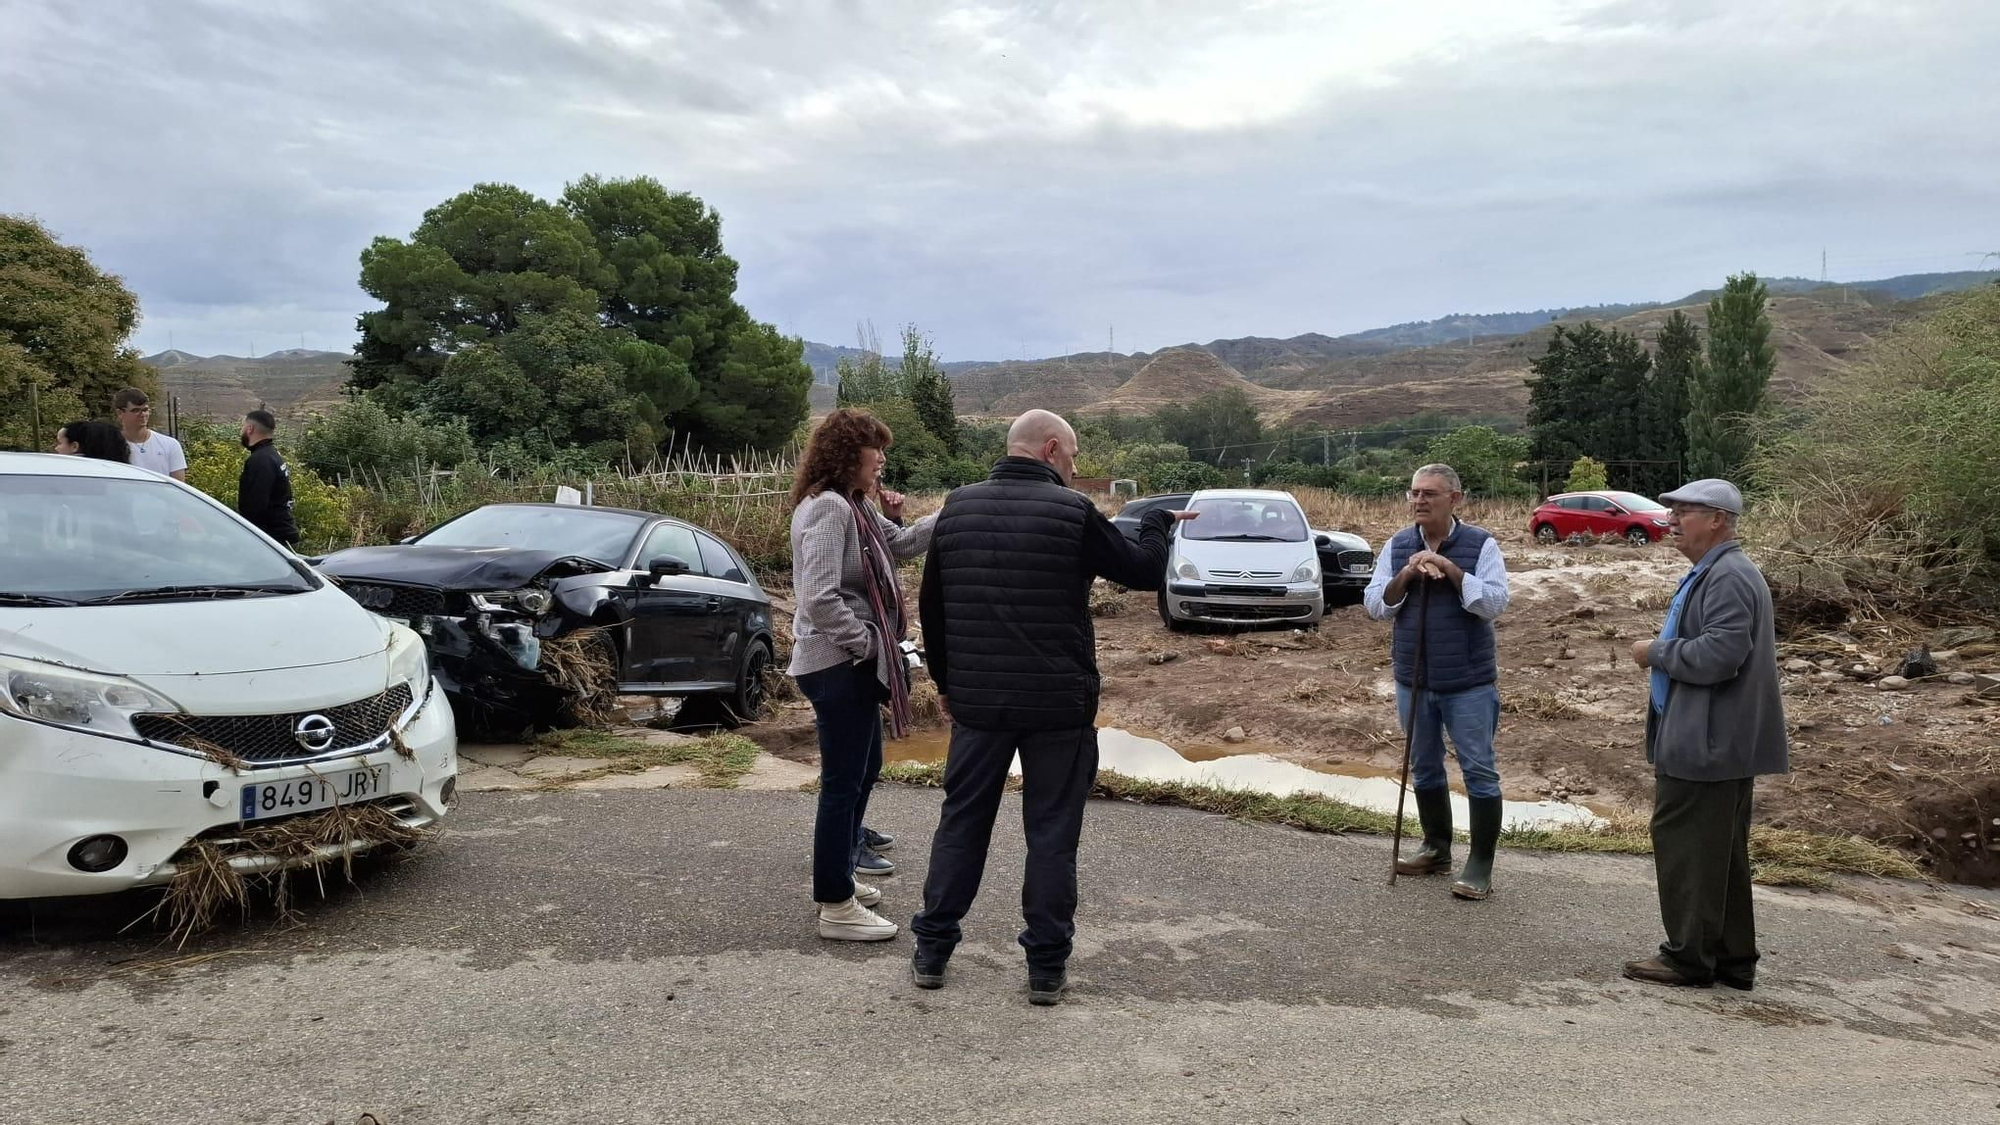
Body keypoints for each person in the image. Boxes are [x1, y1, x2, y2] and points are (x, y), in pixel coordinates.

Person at [910, 409, 1191, 1005]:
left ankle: (932, 951)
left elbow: (931, 606)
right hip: (1058, 705)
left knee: (962, 824)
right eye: (1073, 457)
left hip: (979, 702)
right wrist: (1159, 522)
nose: (1075, 467)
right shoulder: (1070, 511)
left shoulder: (958, 507)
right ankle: (1045, 968)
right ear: (1051, 448)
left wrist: (946, 685)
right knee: (1052, 835)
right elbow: (1142, 571)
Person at [1623, 479, 1788, 989]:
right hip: (1714, 738)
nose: (1671, 519)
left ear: (1717, 519)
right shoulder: (1717, 570)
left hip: (1707, 742)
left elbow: (1720, 654)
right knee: (1720, 853)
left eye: (1684, 511)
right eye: (1671, 510)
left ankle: (1688, 958)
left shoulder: (1728, 576)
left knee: (1688, 846)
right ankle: (1732, 958)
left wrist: (1656, 653)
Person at [788, 408, 936, 942]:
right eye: (877, 449)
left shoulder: (854, 505)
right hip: (838, 663)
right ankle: (835, 903)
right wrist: (868, 644)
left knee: (866, 766)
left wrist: (953, 512)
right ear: (851, 452)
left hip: (848, 663)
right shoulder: (829, 509)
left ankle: (843, 875)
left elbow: (898, 546)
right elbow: (820, 598)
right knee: (842, 783)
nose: (882, 460)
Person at [1364, 463, 1512, 900]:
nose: (1419, 501)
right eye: (1414, 493)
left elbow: (1495, 603)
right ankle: (1435, 848)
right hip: (1413, 677)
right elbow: (1375, 604)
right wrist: (1406, 575)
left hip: (1468, 681)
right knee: (1424, 765)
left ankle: (1480, 865)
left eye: (1430, 493)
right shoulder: (1398, 544)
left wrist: (1449, 568)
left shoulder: (1481, 544)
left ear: (1455, 499)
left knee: (1479, 771)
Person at [236, 409, 299, 546]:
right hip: (281, 535)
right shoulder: (271, 454)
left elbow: (255, 507)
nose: (241, 431)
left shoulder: (260, 460)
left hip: (272, 540)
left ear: (250, 429)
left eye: (242, 426)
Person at [112, 388, 186, 480]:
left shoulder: (170, 445)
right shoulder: (111, 446)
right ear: (120, 413)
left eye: (145, 410)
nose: (142, 414)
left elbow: (179, 485)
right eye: (135, 410)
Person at [54, 420, 132, 463]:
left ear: (75, 446)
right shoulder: (131, 475)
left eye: (59, 443)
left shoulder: (60, 474)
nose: (56, 448)